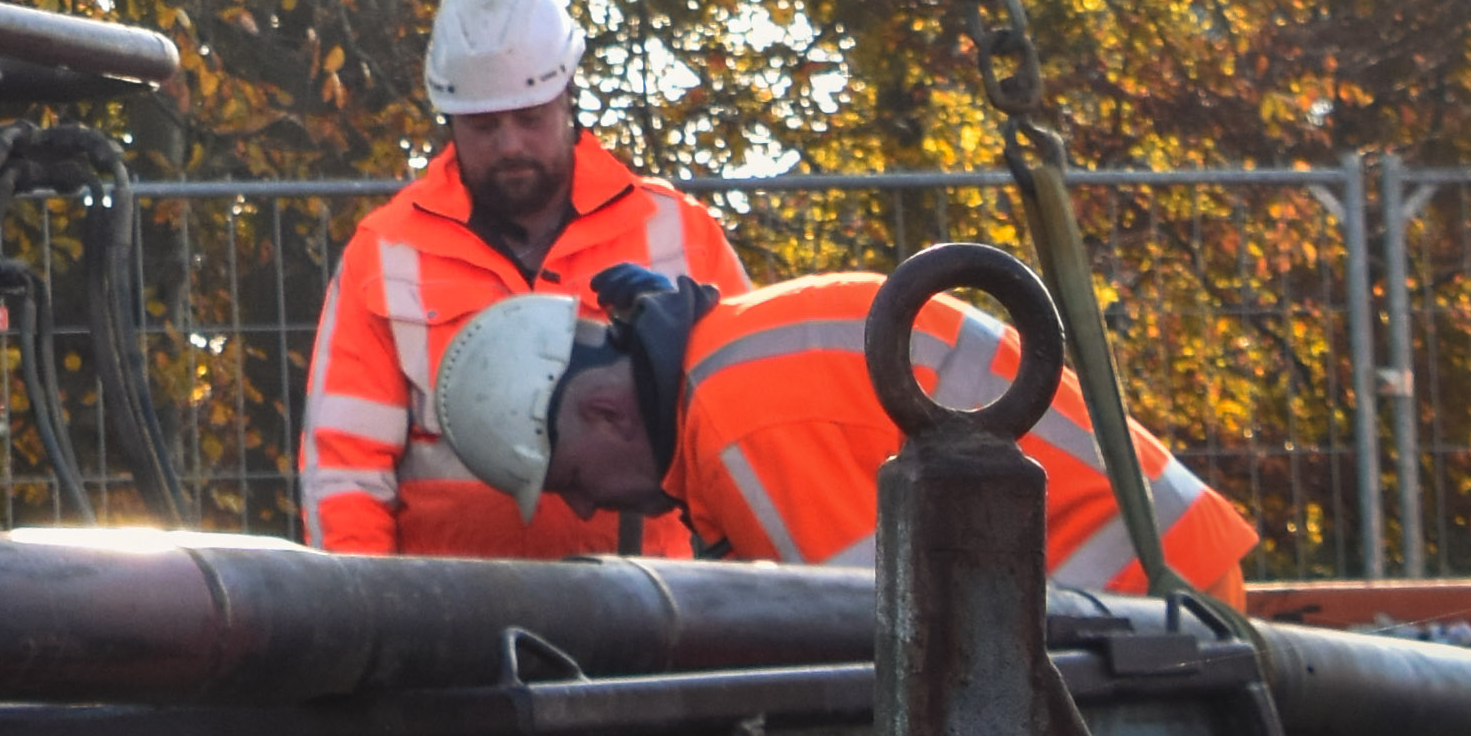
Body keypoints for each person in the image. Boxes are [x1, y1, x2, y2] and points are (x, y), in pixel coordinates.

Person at [427, 259, 1257, 600]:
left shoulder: (730, 428)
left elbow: (871, 651)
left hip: (1144, 607)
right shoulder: (727, 367)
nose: (581, 510)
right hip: (1142, 590)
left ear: (604, 412)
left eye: (570, 480)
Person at [294, 0, 750, 558]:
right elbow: (344, 469)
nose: (510, 144)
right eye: (485, 127)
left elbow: (739, 430)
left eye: (530, 119)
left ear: (567, 101)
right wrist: (369, 626)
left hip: (659, 615)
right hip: (450, 620)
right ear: (450, 123)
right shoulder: (386, 252)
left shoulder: (675, 229)